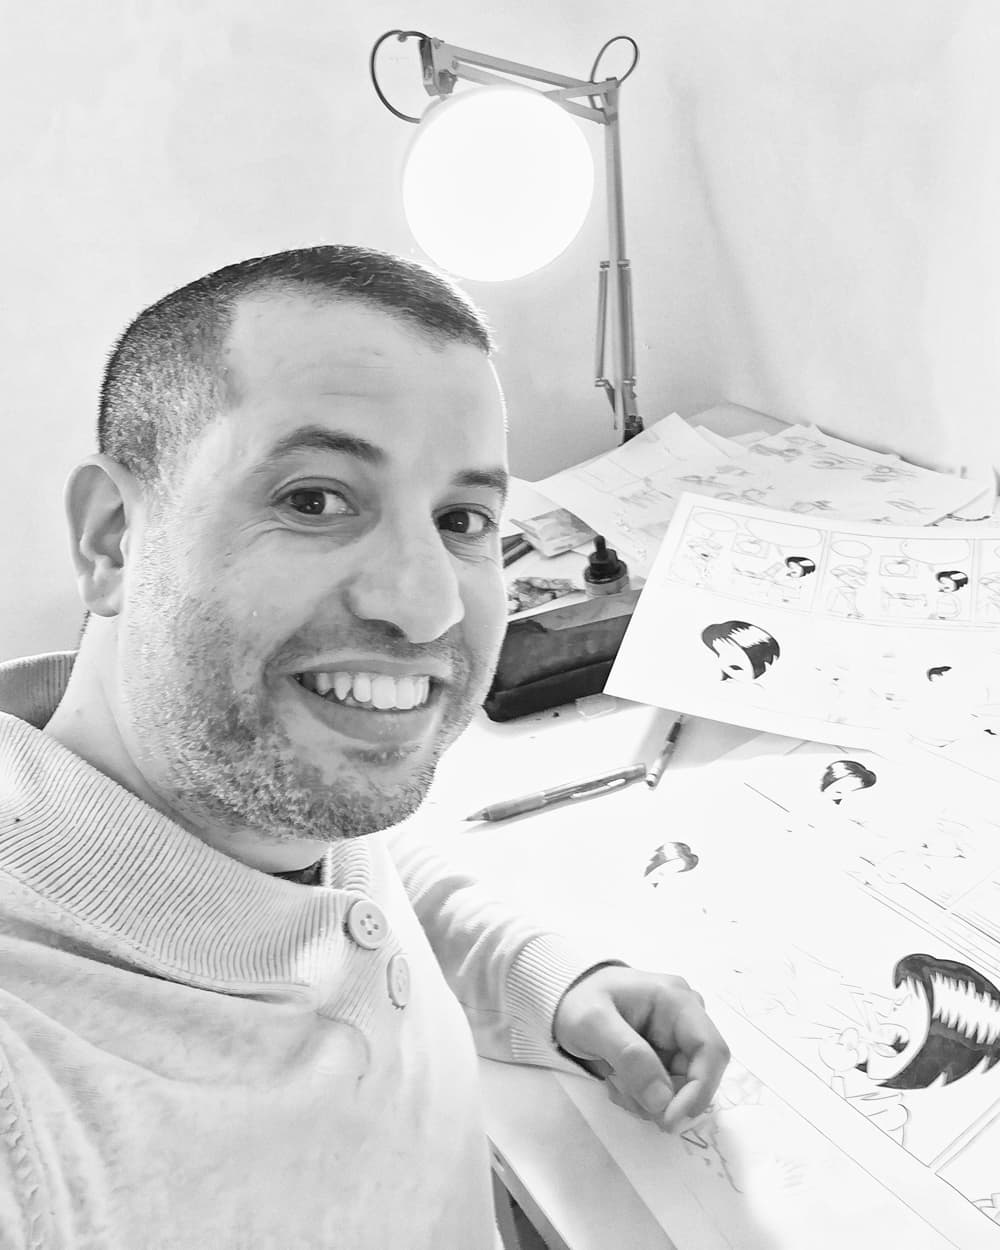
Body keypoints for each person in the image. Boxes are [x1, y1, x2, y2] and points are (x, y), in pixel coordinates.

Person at [0, 246, 729, 1249]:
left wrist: (540, 977)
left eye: (462, 519)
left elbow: (364, 879)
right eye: (314, 499)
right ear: (113, 538)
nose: (426, 604)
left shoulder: (252, 788)